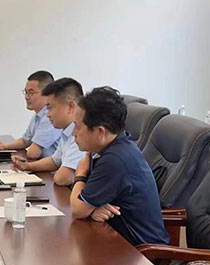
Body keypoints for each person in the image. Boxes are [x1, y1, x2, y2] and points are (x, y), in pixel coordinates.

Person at [70, 86, 170, 246]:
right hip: (117, 238)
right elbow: (85, 205)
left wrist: (80, 174)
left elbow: (78, 209)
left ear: (100, 132)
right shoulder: (115, 145)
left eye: (77, 127)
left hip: (141, 253)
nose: (73, 133)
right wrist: (93, 209)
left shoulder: (115, 160)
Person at [12, 77, 86, 186]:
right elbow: (54, 161)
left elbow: (63, 178)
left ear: (70, 106)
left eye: (50, 108)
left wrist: (58, 173)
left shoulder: (81, 134)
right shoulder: (66, 131)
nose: (47, 115)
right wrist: (27, 166)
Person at [0, 71, 61, 159]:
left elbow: (33, 153)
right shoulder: (37, 116)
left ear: (47, 93)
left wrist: (17, 158)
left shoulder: (50, 117)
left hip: (54, 167)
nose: (27, 97)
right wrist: (4, 146)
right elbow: (25, 141)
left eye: (31, 92)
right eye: (26, 92)